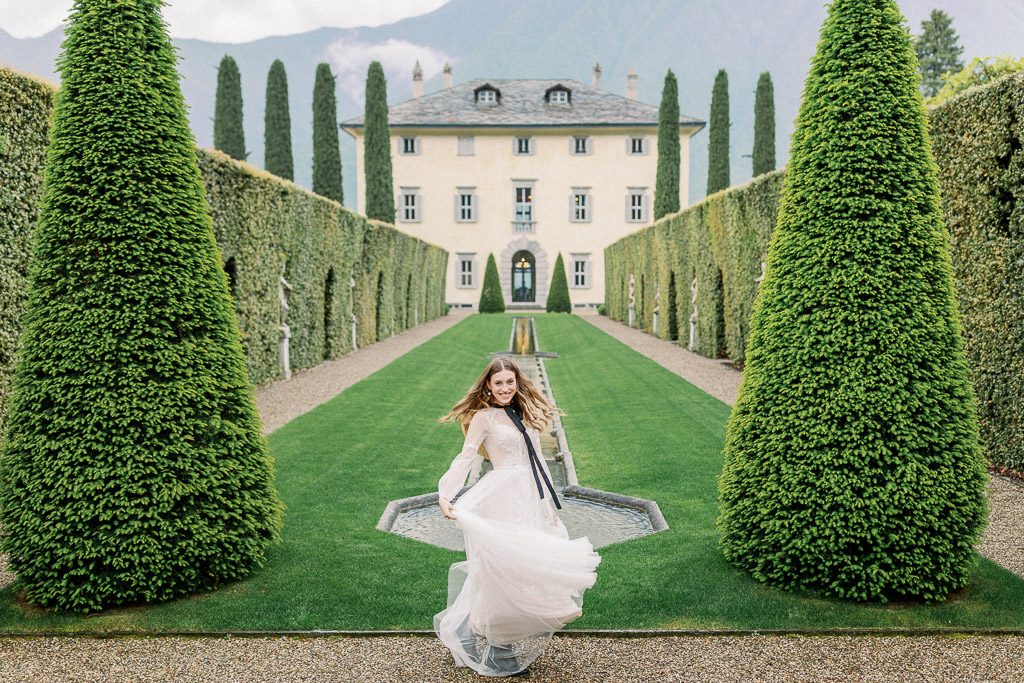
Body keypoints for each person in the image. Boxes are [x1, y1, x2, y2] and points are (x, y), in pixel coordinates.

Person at [434, 357, 601, 677]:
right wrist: (445, 493)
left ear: (517, 383)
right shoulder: (484, 418)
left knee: (530, 567)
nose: (505, 388)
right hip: (503, 496)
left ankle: (483, 637)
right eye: (498, 383)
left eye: (510, 382)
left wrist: (549, 508)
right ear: (488, 386)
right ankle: (499, 646)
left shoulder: (525, 413)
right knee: (505, 569)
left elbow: (538, 460)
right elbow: (466, 457)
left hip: (530, 497)